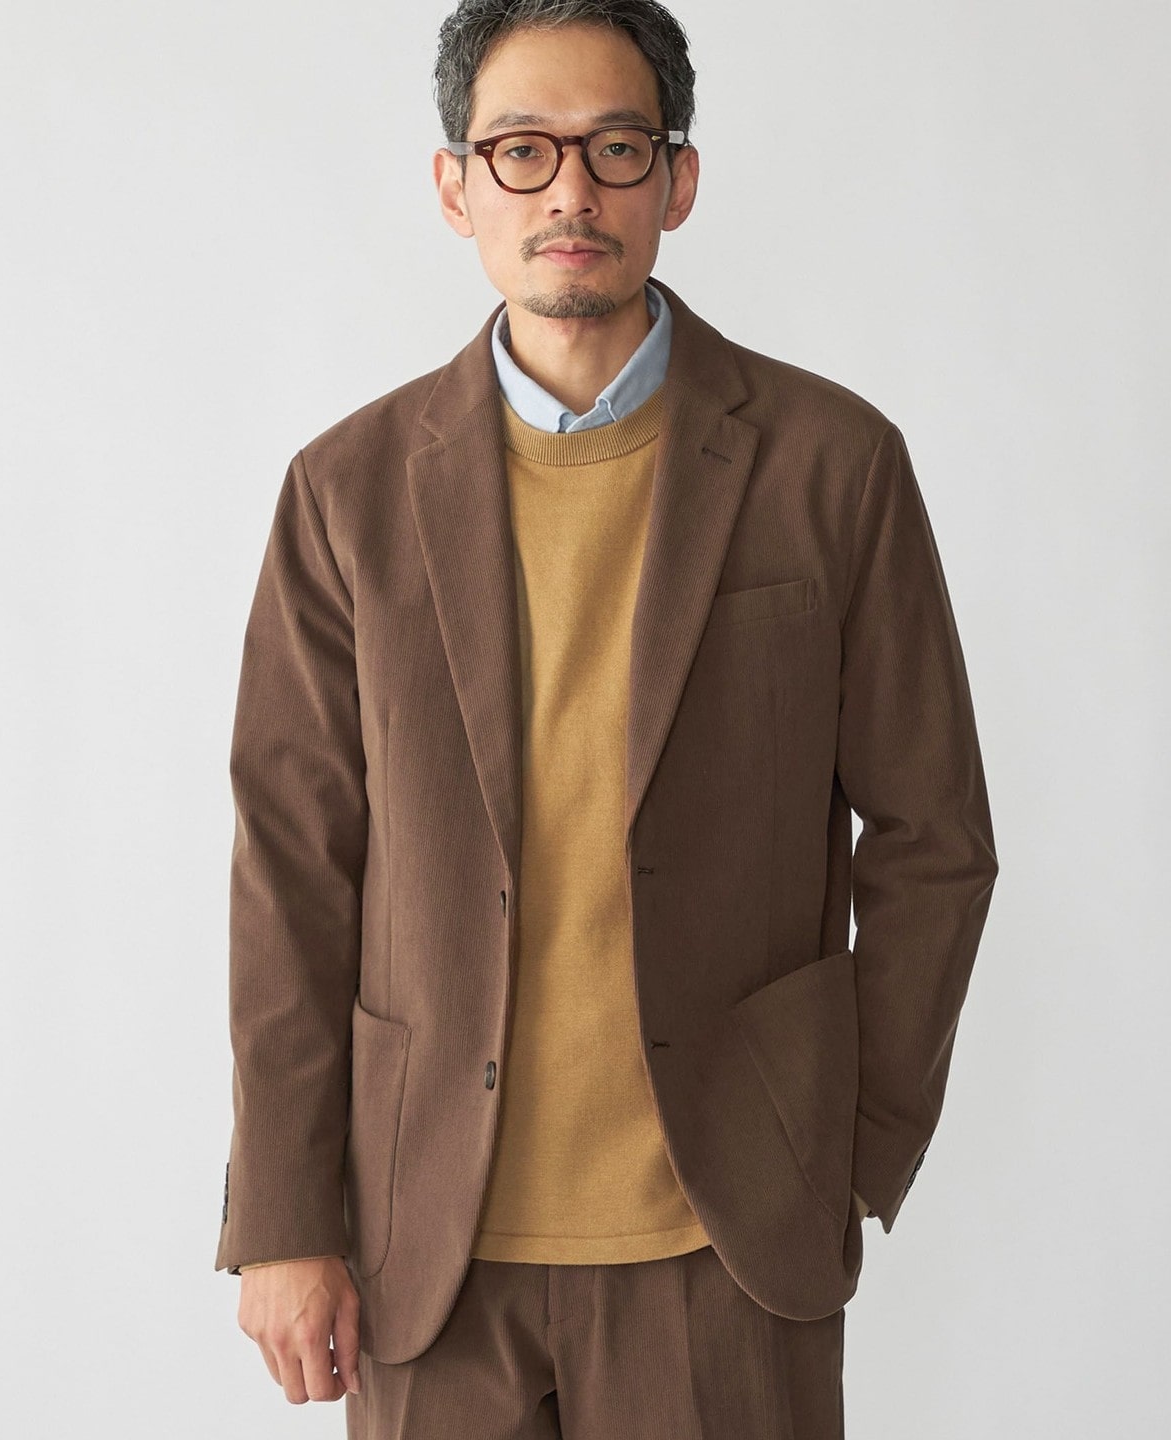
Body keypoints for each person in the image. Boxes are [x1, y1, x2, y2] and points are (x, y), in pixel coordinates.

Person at [214, 2, 999, 1436]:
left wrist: (848, 1143)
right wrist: (281, 1214)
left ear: (676, 181)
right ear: (456, 187)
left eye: (614, 147)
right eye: (521, 149)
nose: (568, 190)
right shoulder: (347, 492)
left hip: (726, 1243)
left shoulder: (831, 466)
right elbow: (291, 867)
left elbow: (935, 838)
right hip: (424, 1247)